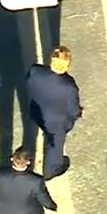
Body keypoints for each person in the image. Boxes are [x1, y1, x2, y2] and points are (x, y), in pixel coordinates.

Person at [25, 45, 83, 179]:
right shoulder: (69, 86)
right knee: (55, 146)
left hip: (38, 112)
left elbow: (28, 85)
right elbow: (73, 110)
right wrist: (80, 112)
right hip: (57, 122)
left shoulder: (36, 71)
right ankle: (51, 171)